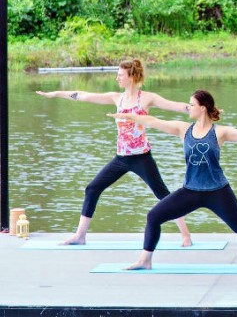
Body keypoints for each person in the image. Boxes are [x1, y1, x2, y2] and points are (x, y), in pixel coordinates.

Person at [110, 89, 237, 271]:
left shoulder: (220, 132)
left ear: (202, 108)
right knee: (153, 216)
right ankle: (145, 260)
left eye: (192, 105)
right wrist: (127, 115)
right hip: (191, 191)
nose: (189, 108)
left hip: (218, 191)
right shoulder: (183, 129)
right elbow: (153, 121)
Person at [36, 58, 193, 246]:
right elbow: (83, 95)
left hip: (142, 158)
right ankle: (80, 235)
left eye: (120, 75)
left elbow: (176, 106)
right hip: (121, 159)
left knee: (163, 195)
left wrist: (202, 110)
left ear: (131, 77)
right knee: (92, 189)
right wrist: (56, 93)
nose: (117, 78)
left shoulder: (146, 98)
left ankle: (186, 235)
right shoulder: (116, 98)